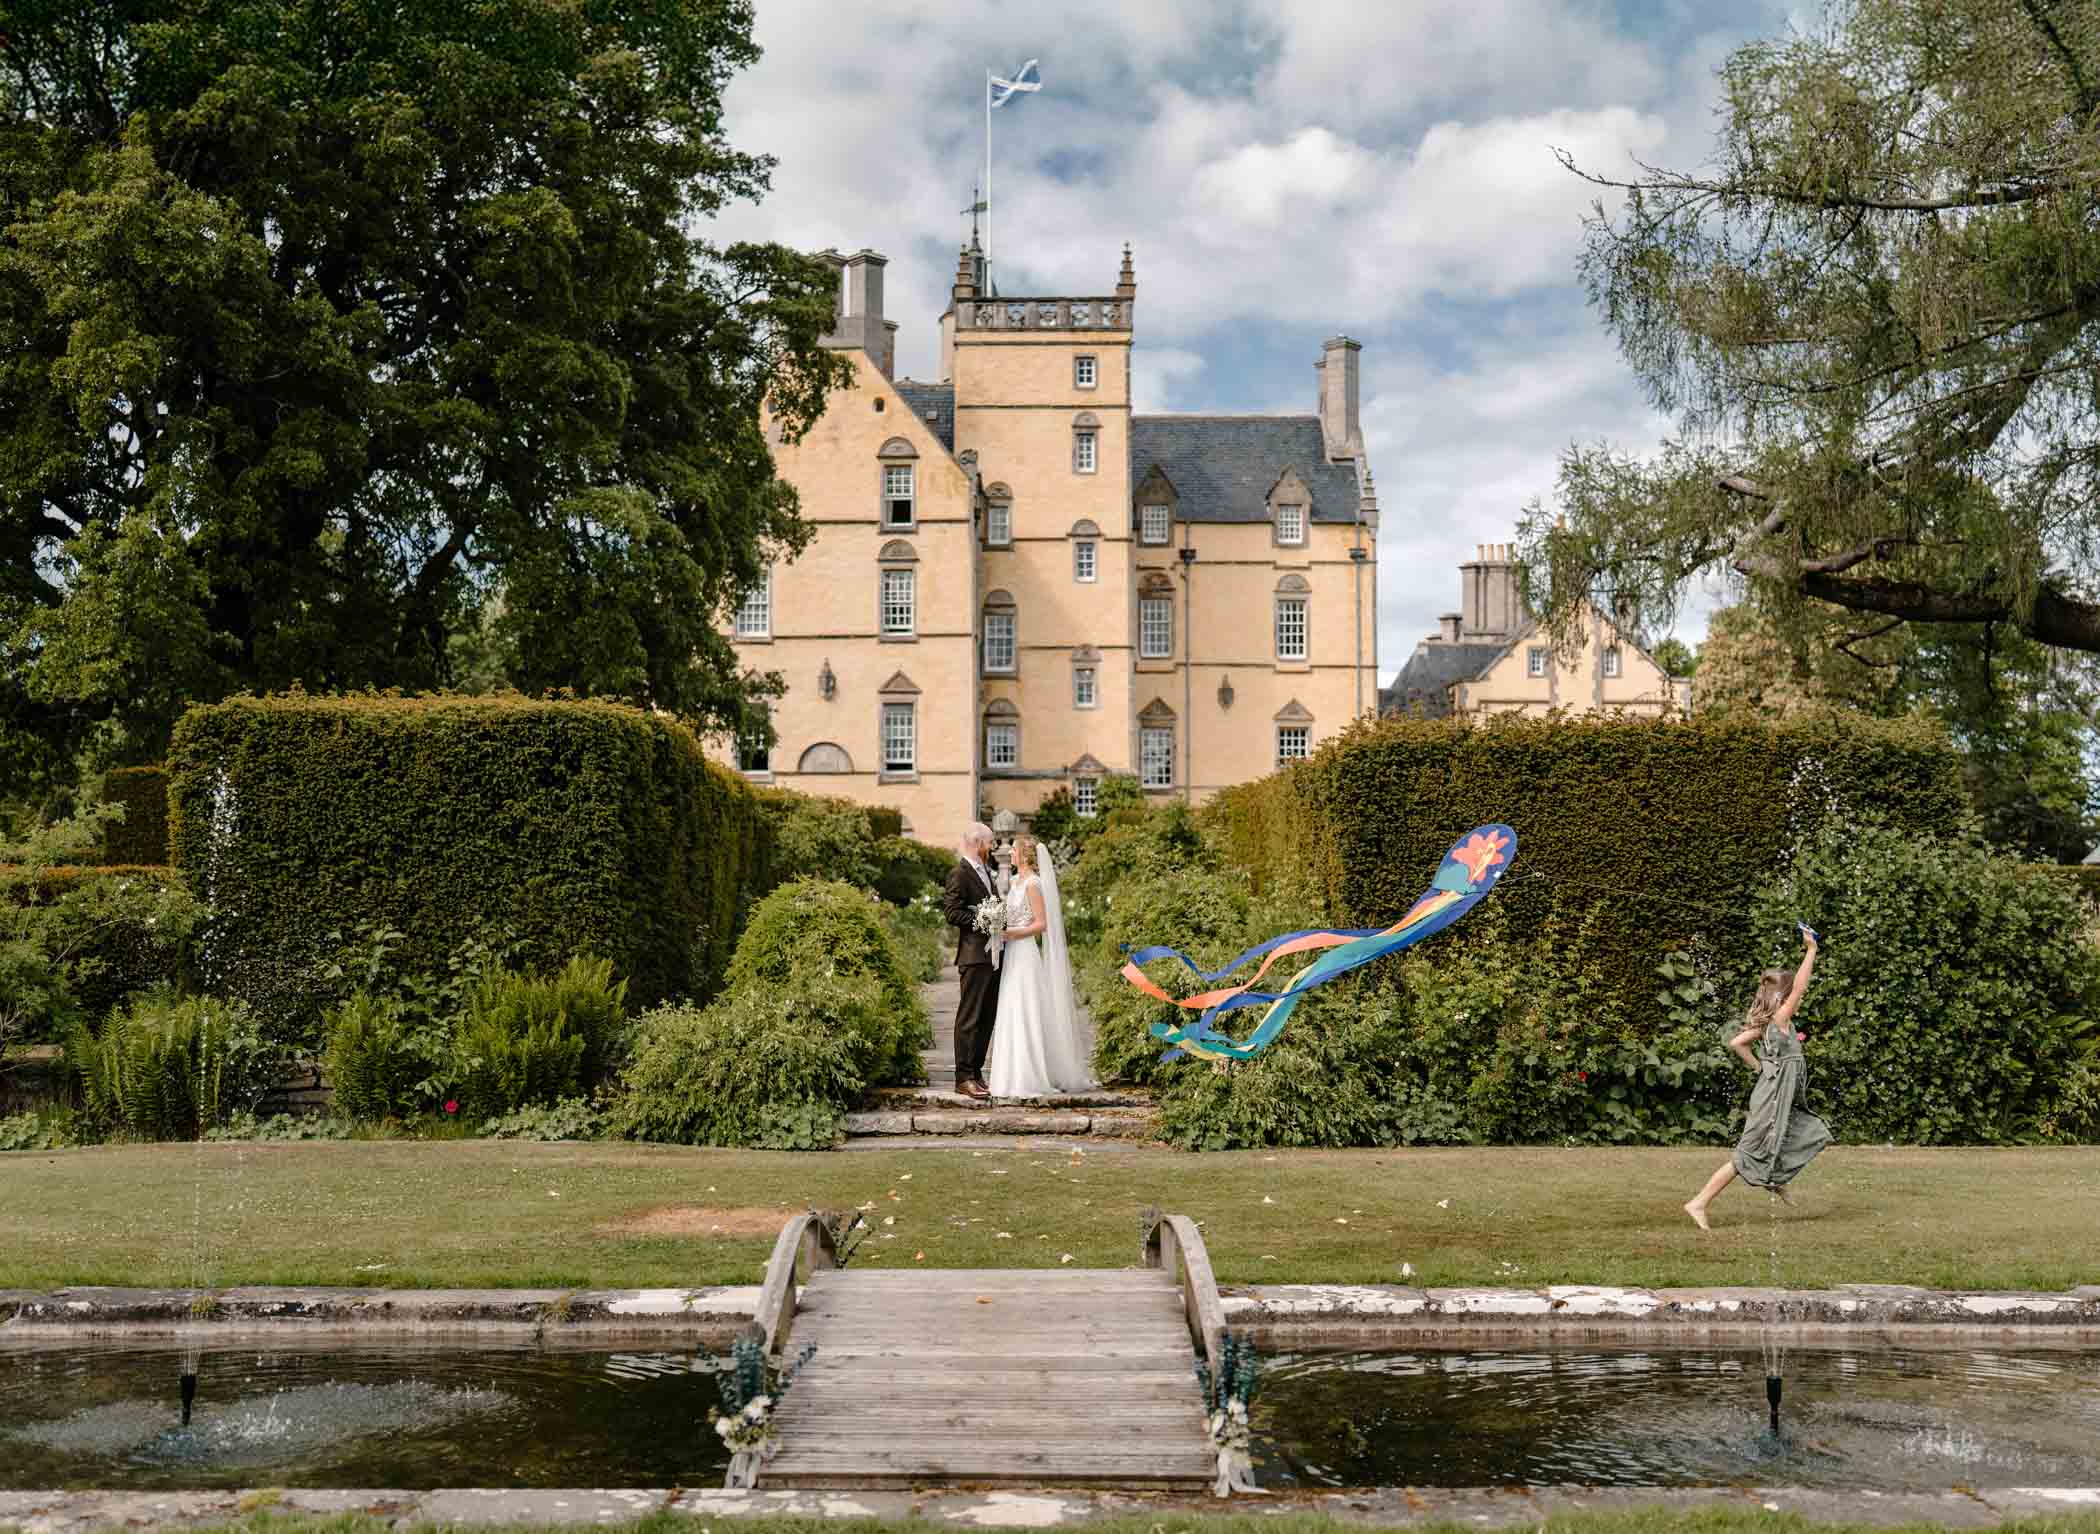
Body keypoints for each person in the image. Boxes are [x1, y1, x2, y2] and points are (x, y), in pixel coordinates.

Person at [1685, 928, 1831, 1230]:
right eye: (1792, 995)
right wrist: (1811, 950)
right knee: (1747, 1152)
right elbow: (1802, 986)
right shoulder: (1779, 1020)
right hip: (1771, 1096)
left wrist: (1759, 1067)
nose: (1797, 998)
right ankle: (1698, 1202)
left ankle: (1774, 1178)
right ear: (1785, 996)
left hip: (1781, 1093)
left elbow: (1737, 1042)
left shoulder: (1771, 1024)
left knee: (1807, 1130)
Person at [985, 835, 1094, 1098]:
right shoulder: (1013, 882)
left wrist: (1013, 933)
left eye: (1013, 849)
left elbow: (1041, 924)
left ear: (1024, 854)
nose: (1009, 852)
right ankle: (1008, 1076)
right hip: (1011, 954)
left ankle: (1029, 1076)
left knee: (1025, 1008)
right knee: (1011, 1008)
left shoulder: (1033, 883)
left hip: (1024, 953)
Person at [941, 823, 1003, 1099]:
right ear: (978, 843)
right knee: (970, 1017)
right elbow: (952, 913)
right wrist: (982, 921)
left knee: (987, 1016)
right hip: (973, 955)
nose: (991, 848)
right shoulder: (960, 873)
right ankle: (962, 1077)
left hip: (992, 954)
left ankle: (976, 1072)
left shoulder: (985, 872)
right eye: (989, 843)